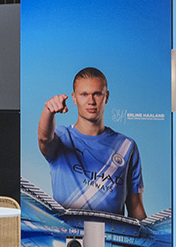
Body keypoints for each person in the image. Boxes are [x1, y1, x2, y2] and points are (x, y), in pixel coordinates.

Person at [37, 66, 145, 219]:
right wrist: (48, 110)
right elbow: (44, 139)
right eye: (84, 94)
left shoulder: (126, 146)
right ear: (74, 98)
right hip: (66, 232)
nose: (91, 101)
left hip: (110, 233)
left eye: (97, 94)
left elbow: (136, 207)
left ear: (106, 96)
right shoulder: (62, 137)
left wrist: (150, 233)